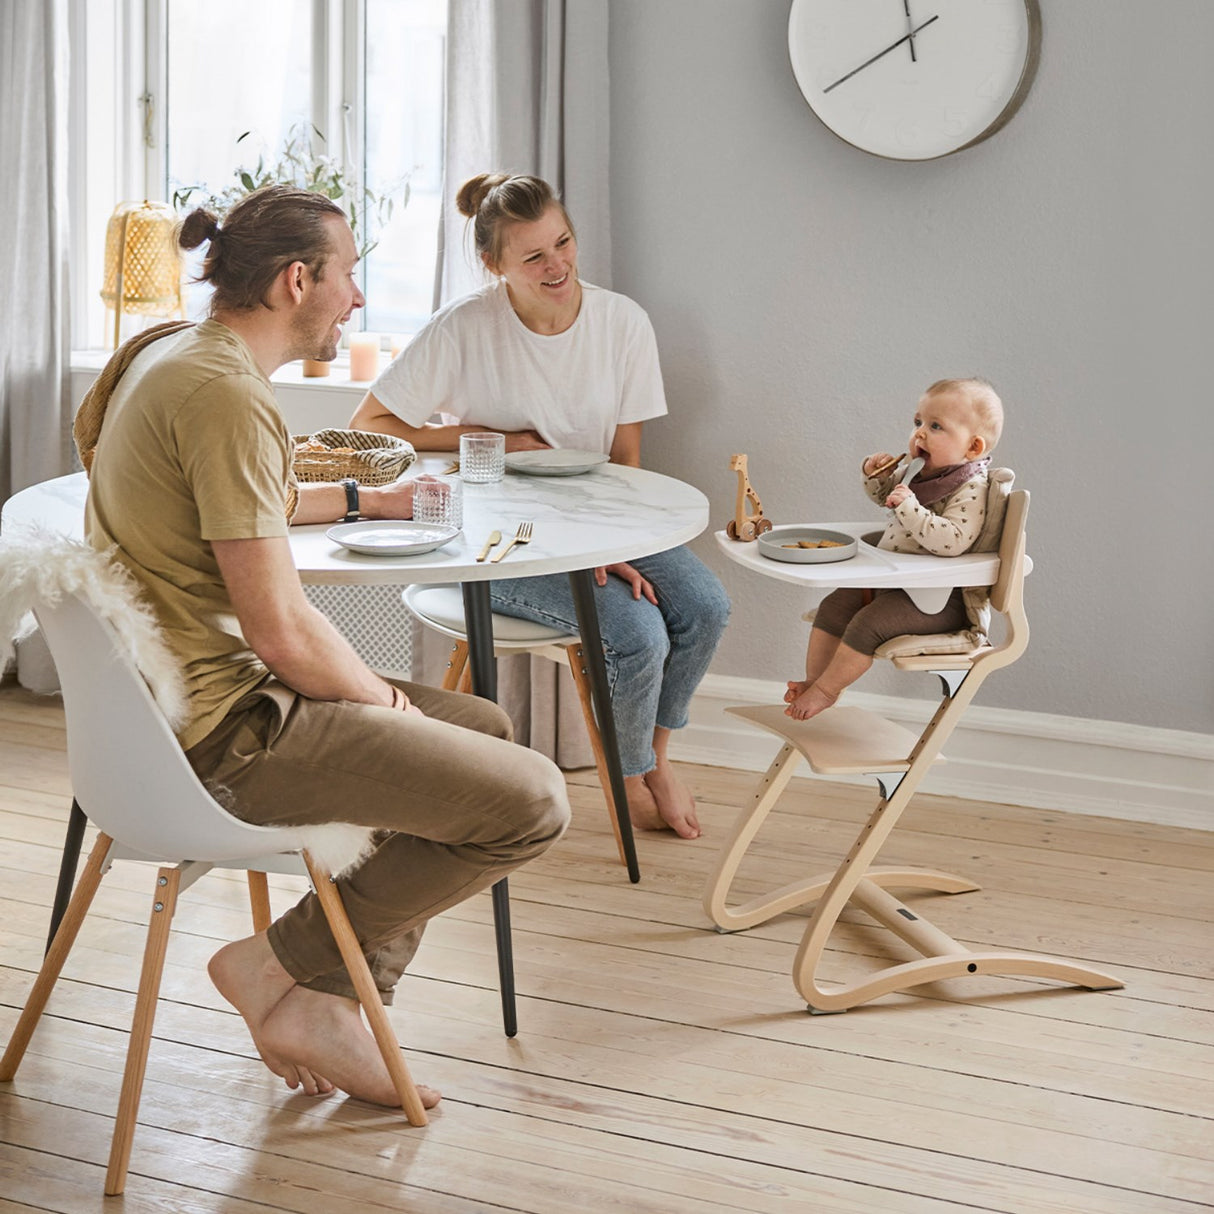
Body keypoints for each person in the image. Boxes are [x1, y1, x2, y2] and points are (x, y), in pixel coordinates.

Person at [80, 185, 570, 1110]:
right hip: (225, 734)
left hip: (167, 711)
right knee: (533, 800)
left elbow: (227, 510)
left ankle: (338, 998)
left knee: (482, 724)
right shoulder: (227, 395)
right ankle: (279, 969)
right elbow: (283, 632)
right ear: (295, 279)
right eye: (347, 277)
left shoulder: (172, 357)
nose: (353, 300)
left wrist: (358, 500)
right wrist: (380, 704)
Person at [351, 173, 730, 841]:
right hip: (499, 539)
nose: (557, 266)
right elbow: (371, 426)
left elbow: (627, 460)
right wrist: (486, 438)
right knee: (635, 634)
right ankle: (631, 772)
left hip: (601, 521)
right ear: (495, 265)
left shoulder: (622, 323)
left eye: (563, 243)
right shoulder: (466, 327)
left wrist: (612, 547)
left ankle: (653, 763)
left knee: (705, 605)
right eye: (533, 257)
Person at [785, 377, 1004, 720]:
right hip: (894, 581)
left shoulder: (971, 487)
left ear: (973, 448)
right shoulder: (921, 470)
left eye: (936, 426)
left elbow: (953, 541)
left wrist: (910, 506)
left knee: (867, 624)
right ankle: (815, 681)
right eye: (918, 422)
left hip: (939, 599)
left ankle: (827, 691)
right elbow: (885, 499)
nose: (920, 433)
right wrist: (876, 476)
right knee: (834, 606)